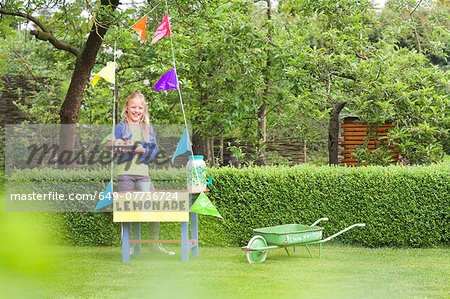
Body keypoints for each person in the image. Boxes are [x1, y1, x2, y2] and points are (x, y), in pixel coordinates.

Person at [114, 91, 174, 255]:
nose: (136, 110)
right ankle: (129, 245)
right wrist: (119, 149)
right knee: (127, 209)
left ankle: (153, 243)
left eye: (140, 107)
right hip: (125, 174)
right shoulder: (121, 127)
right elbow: (115, 148)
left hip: (143, 175)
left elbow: (154, 152)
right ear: (127, 108)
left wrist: (143, 150)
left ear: (144, 110)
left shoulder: (147, 128)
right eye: (133, 107)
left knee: (154, 203)